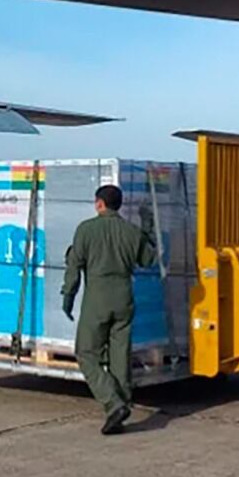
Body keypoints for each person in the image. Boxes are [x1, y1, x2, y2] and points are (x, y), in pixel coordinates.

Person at [62, 184, 155, 435]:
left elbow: (74, 265)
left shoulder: (86, 230)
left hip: (98, 299)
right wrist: (148, 227)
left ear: (99, 203)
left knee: (85, 352)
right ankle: (121, 407)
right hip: (124, 297)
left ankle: (113, 403)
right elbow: (149, 259)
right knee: (119, 356)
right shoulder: (131, 231)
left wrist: (68, 296)